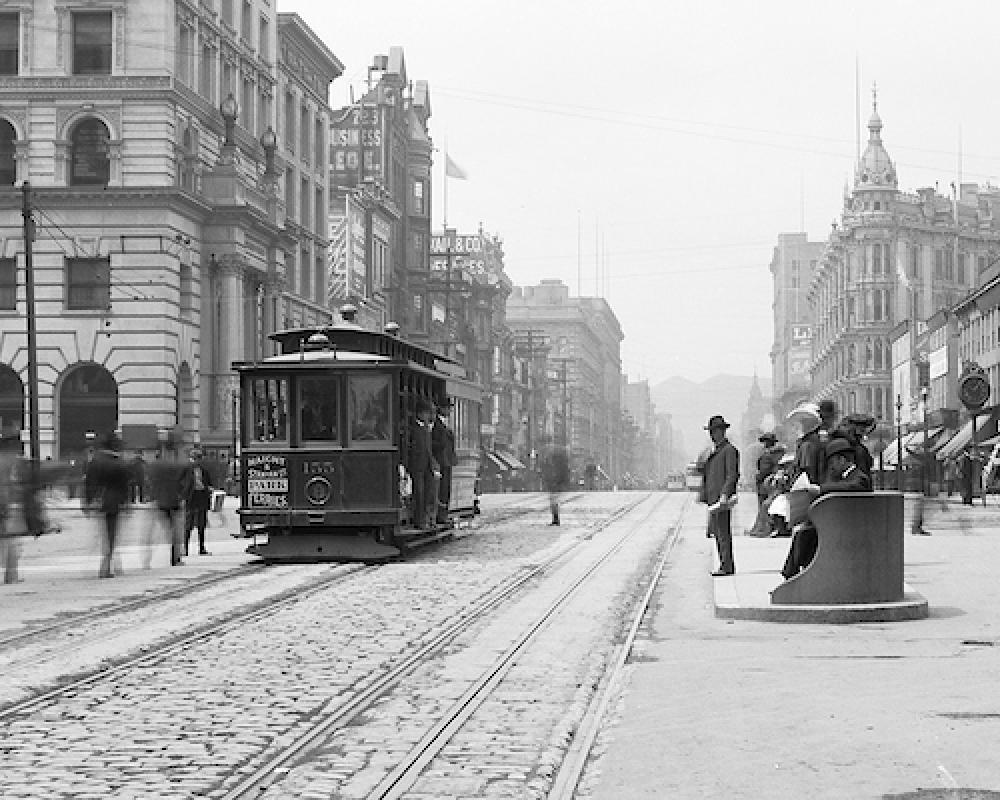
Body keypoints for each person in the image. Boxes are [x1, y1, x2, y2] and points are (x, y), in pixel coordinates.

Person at [781, 437, 872, 580]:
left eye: (832, 462)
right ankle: (796, 575)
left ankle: (794, 575)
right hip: (842, 522)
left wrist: (820, 489)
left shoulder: (859, 478)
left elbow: (851, 487)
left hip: (851, 526)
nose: (831, 467)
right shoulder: (844, 477)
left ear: (842, 460)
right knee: (804, 532)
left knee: (805, 534)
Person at [84, 432, 131, 579]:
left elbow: (88, 483)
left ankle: (109, 563)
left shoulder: (94, 462)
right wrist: (126, 503)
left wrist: (87, 501)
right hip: (114, 502)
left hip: (99, 501)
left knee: (104, 533)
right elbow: (125, 487)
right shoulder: (120, 464)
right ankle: (107, 565)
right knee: (112, 534)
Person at [701, 415, 739, 576]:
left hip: (721, 499)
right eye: (711, 431)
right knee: (717, 533)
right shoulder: (714, 451)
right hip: (713, 498)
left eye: (714, 431)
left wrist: (724, 494)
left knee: (723, 533)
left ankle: (727, 565)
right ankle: (724, 564)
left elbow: (732, 475)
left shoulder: (729, 451)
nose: (712, 435)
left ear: (722, 431)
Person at [149, 450, 187, 566]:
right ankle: (175, 558)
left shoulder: (156, 469)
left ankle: (148, 557)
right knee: (176, 531)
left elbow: (152, 484)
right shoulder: (175, 468)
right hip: (174, 502)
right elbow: (182, 483)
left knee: (158, 531)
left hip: (161, 502)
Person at [406, 399, 437, 529]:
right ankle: (419, 521)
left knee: (427, 493)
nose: (428, 416)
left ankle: (426, 518)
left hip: (426, 465)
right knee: (418, 492)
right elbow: (408, 448)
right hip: (417, 466)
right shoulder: (413, 429)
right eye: (426, 413)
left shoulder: (425, 429)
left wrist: (432, 463)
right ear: (420, 413)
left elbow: (428, 449)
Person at [747, 432, 784, 536]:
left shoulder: (768, 455)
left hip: (766, 483)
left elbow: (764, 469)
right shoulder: (780, 454)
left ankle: (765, 528)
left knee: (764, 506)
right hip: (775, 483)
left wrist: (758, 477)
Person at [181, 448, 214, 556]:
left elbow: (209, 483)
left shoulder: (204, 471)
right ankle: (185, 548)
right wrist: (183, 494)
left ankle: (201, 547)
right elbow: (180, 482)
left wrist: (209, 489)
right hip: (191, 497)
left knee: (201, 523)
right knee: (188, 523)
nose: (197, 461)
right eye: (195, 459)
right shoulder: (186, 469)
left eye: (199, 459)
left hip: (202, 496)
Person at [431, 397, 457, 525]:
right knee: (442, 490)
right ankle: (441, 515)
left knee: (446, 489)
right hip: (441, 460)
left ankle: (444, 514)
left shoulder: (444, 424)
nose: (449, 410)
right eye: (447, 408)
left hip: (446, 460)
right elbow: (435, 443)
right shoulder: (437, 424)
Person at [542, 445, 570, 525]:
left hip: (555, 486)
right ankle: (555, 519)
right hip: (554, 486)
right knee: (553, 502)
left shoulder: (557, 467)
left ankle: (556, 519)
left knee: (554, 502)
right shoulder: (557, 466)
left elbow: (559, 475)